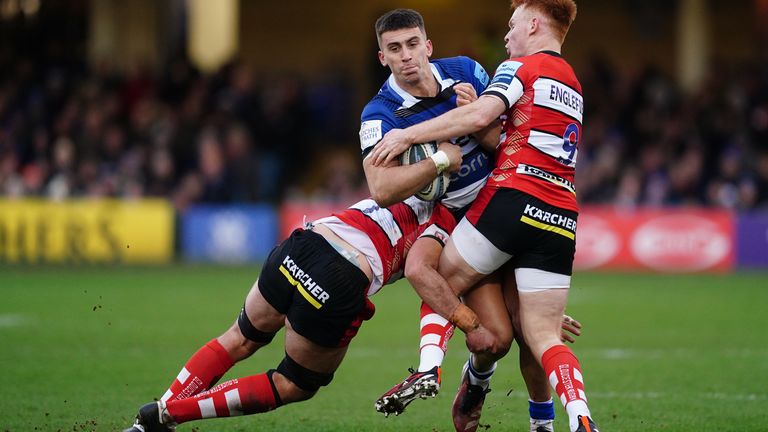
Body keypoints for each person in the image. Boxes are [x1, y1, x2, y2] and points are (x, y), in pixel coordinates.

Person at [121, 148, 499, 432]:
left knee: (238, 338)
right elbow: (425, 275)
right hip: (341, 277)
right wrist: (465, 325)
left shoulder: (401, 178)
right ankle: (170, 414)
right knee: (295, 384)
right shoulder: (449, 221)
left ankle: (150, 423)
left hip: (303, 243)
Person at [370, 1, 599, 432]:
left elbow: (481, 117)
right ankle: (572, 420)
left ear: (534, 25)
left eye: (512, 26)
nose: (508, 36)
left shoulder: (518, 68)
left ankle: (430, 367)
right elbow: (509, 134)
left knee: (437, 279)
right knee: (543, 335)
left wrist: (408, 135)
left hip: (510, 199)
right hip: (561, 211)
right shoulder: (573, 83)